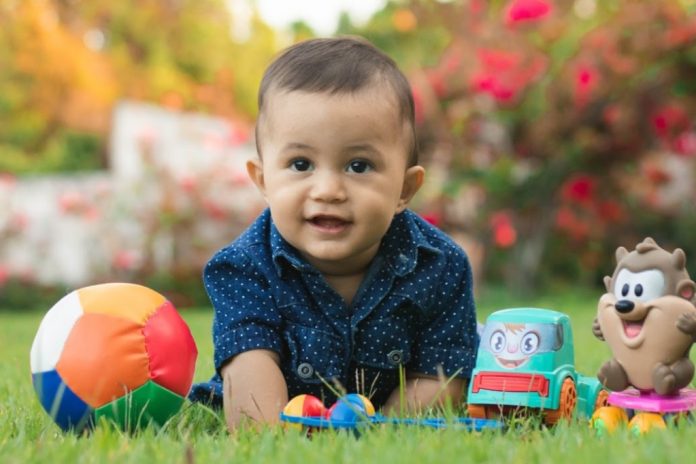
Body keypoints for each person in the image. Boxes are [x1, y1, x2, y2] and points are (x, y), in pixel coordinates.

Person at [189, 36, 479, 431]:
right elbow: (249, 374)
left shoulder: (440, 267)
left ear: (405, 190)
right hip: (280, 411)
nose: (327, 190)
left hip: (386, 415)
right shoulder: (243, 268)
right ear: (263, 180)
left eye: (358, 166)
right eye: (301, 163)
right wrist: (277, 438)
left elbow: (442, 377)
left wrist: (383, 436)